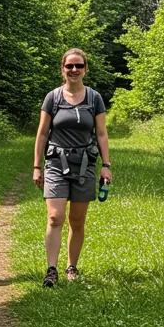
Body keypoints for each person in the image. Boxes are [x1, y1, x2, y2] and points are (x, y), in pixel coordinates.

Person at [32, 48, 112, 288]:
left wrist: (106, 165)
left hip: (85, 164)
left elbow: (101, 133)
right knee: (55, 217)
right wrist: (37, 166)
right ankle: (51, 269)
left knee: (77, 221)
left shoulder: (94, 98)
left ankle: (71, 267)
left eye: (79, 66)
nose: (74, 70)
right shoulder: (53, 98)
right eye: (70, 66)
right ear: (62, 69)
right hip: (56, 162)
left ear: (85, 69)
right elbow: (43, 133)